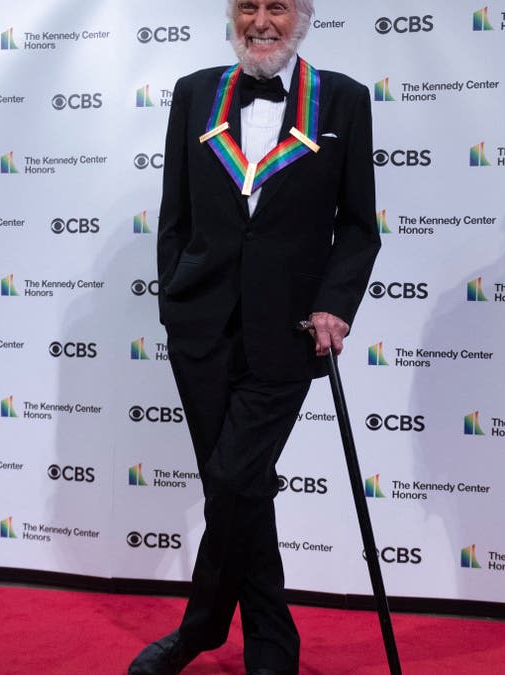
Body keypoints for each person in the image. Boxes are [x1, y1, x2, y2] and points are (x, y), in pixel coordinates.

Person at [128, 1, 379, 673]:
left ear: (302, 17)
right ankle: (272, 643)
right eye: (248, 5)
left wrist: (335, 302)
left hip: (289, 330)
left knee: (236, 479)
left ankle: (200, 627)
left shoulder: (345, 101)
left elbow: (357, 225)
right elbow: (174, 211)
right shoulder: (194, 93)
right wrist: (172, 298)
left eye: (277, 6)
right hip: (199, 326)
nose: (260, 20)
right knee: (237, 487)